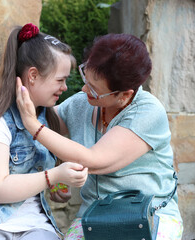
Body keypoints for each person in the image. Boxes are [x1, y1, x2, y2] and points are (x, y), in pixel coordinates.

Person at [16, 33, 183, 239]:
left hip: (148, 215)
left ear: (125, 95)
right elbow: (49, 133)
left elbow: (93, 160)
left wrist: (33, 125)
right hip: (93, 218)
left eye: (94, 90)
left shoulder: (148, 113)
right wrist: (57, 175)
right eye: (86, 77)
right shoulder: (82, 103)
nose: (84, 89)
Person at [0, 23, 88, 240]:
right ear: (32, 75)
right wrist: (53, 175)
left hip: (34, 226)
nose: (65, 87)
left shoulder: (47, 119)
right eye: (60, 80)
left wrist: (57, 186)